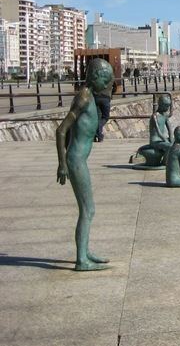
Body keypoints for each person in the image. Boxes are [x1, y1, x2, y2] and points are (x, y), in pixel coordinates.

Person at [56, 58, 114, 271]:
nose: (107, 85)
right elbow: (61, 130)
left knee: (88, 209)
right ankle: (82, 260)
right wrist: (62, 164)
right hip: (75, 160)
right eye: (106, 80)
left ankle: (85, 251)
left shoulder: (88, 96)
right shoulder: (83, 98)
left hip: (78, 159)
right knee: (88, 210)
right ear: (95, 77)